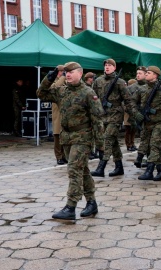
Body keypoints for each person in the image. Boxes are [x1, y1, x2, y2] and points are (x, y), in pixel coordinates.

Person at [36, 61, 105, 220]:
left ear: (80, 74)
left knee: (74, 169)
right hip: (67, 137)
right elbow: (41, 93)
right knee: (83, 170)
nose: (67, 74)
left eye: (71, 72)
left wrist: (101, 146)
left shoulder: (88, 93)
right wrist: (49, 77)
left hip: (82, 137)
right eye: (66, 72)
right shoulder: (61, 91)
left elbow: (97, 120)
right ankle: (91, 202)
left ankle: (71, 206)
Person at [90, 58, 141, 178]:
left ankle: (101, 167)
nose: (107, 67)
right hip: (103, 115)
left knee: (107, 138)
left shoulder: (120, 82)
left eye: (110, 65)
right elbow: (92, 96)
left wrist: (133, 115)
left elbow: (128, 100)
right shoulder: (98, 81)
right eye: (106, 65)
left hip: (115, 115)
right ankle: (119, 167)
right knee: (113, 143)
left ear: (114, 68)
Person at [50, 65, 68, 165]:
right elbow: (55, 87)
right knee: (57, 135)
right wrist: (62, 77)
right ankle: (59, 156)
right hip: (57, 111)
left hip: (65, 111)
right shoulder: (54, 81)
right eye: (62, 72)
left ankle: (64, 155)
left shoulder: (65, 80)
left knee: (64, 135)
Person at [124, 78, 138, 151]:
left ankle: (132, 143)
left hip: (134, 113)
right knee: (128, 130)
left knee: (133, 130)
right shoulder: (126, 93)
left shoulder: (135, 93)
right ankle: (128, 145)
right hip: (128, 114)